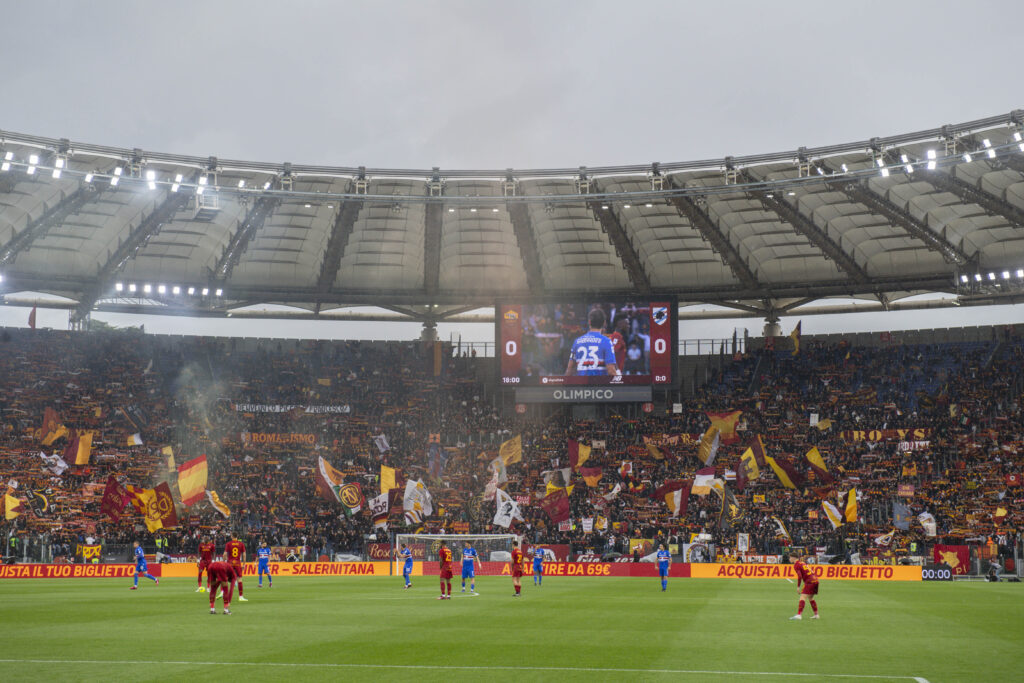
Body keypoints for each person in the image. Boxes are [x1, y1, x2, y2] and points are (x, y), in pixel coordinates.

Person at [565, 308, 619, 377]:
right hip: (599, 383)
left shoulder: (577, 342)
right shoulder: (607, 342)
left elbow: (569, 370)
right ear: (604, 323)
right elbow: (611, 371)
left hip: (581, 383)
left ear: (589, 322)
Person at [789, 554, 820, 620]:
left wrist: (798, 586)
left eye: (790, 557)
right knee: (810, 598)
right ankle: (816, 615)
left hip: (810, 581)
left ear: (793, 558)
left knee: (802, 597)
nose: (789, 559)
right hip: (816, 580)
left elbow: (799, 576)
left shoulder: (796, 565)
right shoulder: (802, 563)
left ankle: (799, 615)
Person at [224, 534, 248, 602]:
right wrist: (244, 564)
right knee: (239, 579)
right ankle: (241, 597)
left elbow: (225, 554)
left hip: (230, 563)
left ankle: (223, 593)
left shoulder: (228, 544)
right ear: (237, 536)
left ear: (232, 536)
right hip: (237, 563)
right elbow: (244, 554)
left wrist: (224, 561)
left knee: (225, 578)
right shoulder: (241, 544)